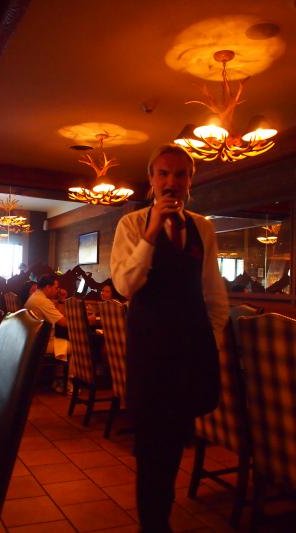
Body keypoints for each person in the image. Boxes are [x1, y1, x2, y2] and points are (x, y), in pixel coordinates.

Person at [111, 144, 229, 533]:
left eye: (180, 174)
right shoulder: (131, 225)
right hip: (149, 354)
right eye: (163, 173)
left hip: (191, 354)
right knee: (150, 447)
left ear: (190, 180)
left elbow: (213, 293)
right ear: (151, 179)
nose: (171, 182)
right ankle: (154, 522)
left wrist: (211, 341)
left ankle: (162, 512)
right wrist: (151, 231)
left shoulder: (203, 227)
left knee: (177, 440)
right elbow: (126, 285)